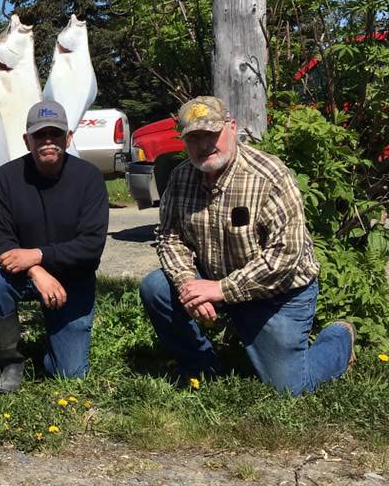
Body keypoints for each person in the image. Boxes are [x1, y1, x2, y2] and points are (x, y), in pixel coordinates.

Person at [140, 96, 355, 395]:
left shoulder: (269, 175)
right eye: (194, 137)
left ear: (232, 127)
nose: (204, 145)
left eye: (211, 134)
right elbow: (169, 237)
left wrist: (219, 290)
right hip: (218, 279)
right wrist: (189, 285)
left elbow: (286, 255)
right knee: (155, 288)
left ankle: (339, 339)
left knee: (289, 388)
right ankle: (201, 365)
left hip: (279, 292)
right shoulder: (180, 177)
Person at [0, 101, 109, 394]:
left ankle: (54, 343)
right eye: (40, 135)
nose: (48, 141)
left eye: (55, 134)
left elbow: (91, 246)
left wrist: (38, 254)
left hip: (74, 278)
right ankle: (11, 361)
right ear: (27, 140)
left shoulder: (89, 178)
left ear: (69, 137)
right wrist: (37, 270)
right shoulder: (5, 178)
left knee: (69, 375)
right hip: (26, 275)